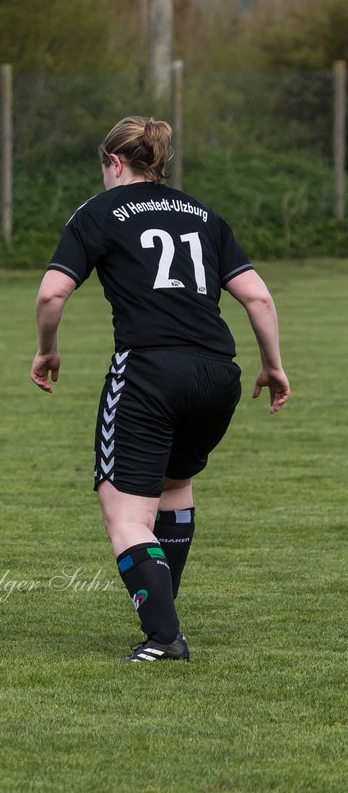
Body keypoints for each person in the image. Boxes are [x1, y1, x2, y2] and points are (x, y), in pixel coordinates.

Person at [31, 116, 290, 663]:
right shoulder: (204, 214)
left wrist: (47, 349)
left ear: (115, 163)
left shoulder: (99, 211)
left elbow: (53, 294)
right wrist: (273, 365)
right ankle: (164, 620)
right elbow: (259, 298)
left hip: (150, 371)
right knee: (172, 490)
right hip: (219, 372)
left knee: (125, 513)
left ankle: (165, 638)